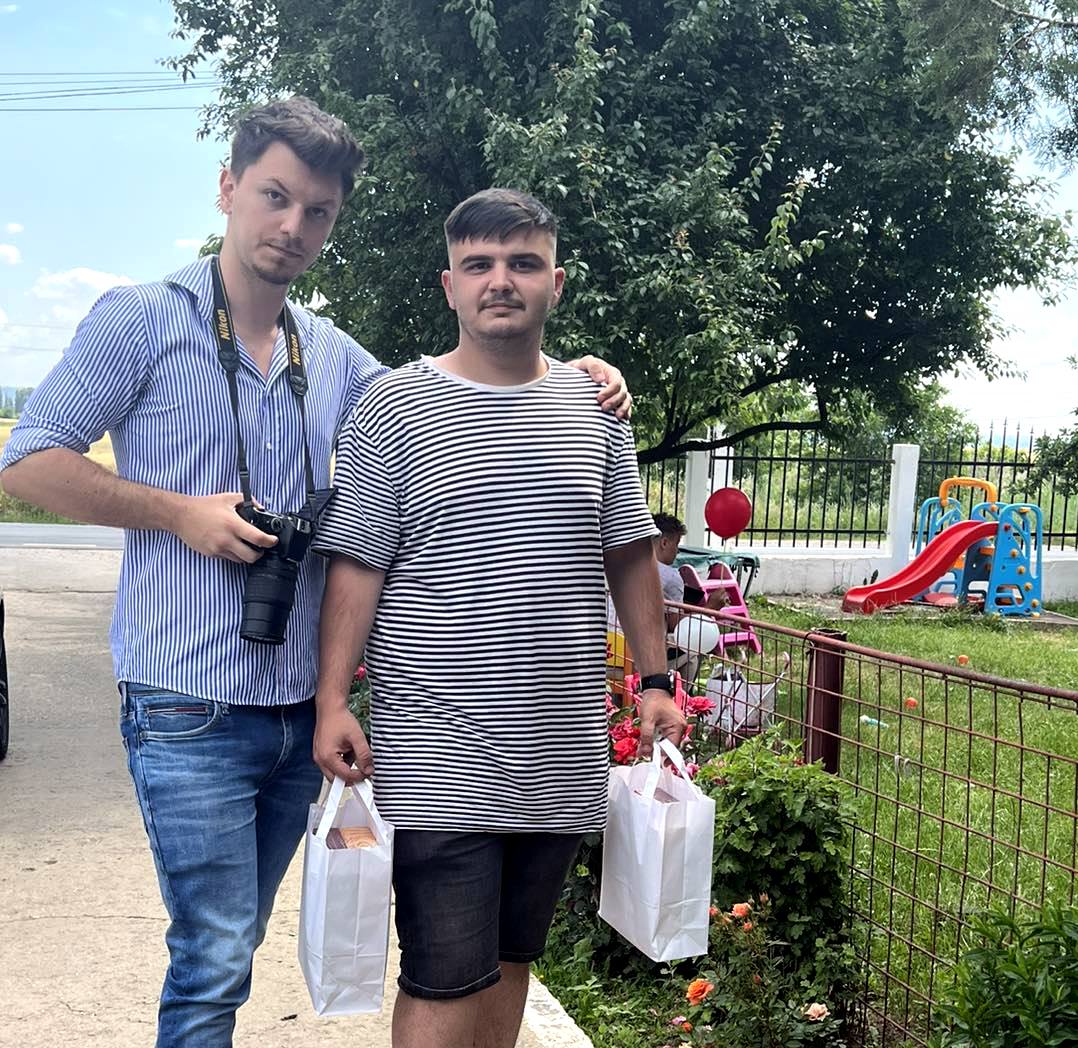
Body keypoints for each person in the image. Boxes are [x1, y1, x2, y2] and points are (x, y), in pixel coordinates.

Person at [0, 99, 631, 1046]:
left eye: (318, 210)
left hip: (301, 709)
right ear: (228, 188)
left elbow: (461, 389)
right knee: (215, 954)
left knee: (242, 939)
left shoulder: (332, 355)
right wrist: (180, 514)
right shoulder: (141, 319)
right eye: (274, 197)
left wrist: (577, 372)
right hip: (187, 699)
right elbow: (27, 461)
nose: (292, 226)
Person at [310, 188, 688, 1048]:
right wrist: (332, 700)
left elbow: (628, 552)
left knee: (512, 962)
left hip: (559, 756)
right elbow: (357, 563)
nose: (500, 281)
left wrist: (656, 680)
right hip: (436, 751)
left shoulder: (596, 409)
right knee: (444, 980)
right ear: (450, 285)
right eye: (478, 265)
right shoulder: (394, 406)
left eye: (522, 263)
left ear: (555, 281)